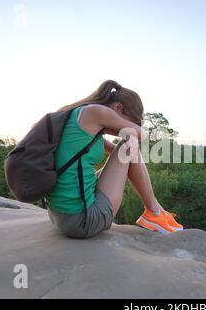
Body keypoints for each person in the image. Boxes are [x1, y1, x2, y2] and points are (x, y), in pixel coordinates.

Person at [45, 80, 183, 239]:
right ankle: (155, 213)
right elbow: (141, 134)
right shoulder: (96, 112)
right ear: (118, 107)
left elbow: (106, 149)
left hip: (60, 216)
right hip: (82, 221)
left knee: (128, 148)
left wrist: (126, 158)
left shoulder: (75, 114)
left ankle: (157, 211)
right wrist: (124, 137)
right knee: (130, 143)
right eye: (127, 120)